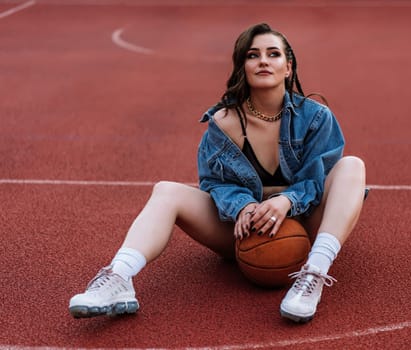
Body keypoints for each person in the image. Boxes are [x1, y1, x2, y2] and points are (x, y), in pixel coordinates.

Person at [69, 22, 367, 323]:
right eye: (253, 55)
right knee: (166, 190)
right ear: (243, 67)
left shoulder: (315, 117)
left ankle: (313, 274)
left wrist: (287, 200)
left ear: (288, 67)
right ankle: (119, 277)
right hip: (241, 230)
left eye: (273, 54)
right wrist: (243, 206)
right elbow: (212, 182)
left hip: (302, 223)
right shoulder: (223, 122)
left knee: (352, 166)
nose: (263, 60)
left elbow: (317, 178)